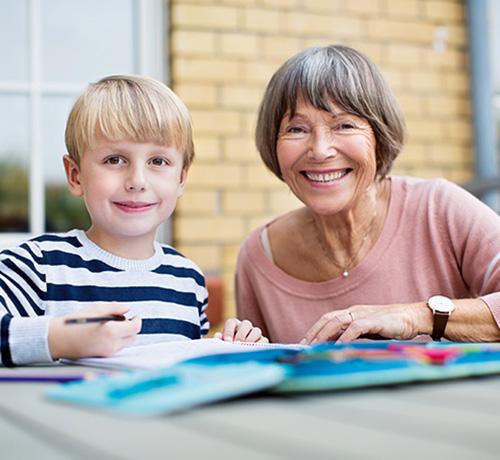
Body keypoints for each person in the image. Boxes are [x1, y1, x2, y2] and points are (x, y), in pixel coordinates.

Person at [231, 44, 500, 345]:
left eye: (344, 125)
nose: (320, 150)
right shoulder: (259, 256)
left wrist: (417, 316)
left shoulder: (438, 209)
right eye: (296, 129)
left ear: (379, 136)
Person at [0, 75, 266, 366]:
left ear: (181, 178)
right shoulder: (37, 265)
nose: (137, 181)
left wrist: (229, 347)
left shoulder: (186, 279)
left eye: (158, 162)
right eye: (115, 160)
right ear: (75, 175)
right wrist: (58, 339)